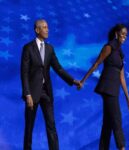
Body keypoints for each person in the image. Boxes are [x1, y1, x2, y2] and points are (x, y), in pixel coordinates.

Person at [20, 19, 80, 150]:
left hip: (46, 92)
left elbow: (58, 68)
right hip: (32, 93)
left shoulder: (50, 48)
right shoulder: (28, 48)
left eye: (48, 27)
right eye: (44, 27)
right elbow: (24, 73)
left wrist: (73, 80)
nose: (47, 30)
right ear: (37, 30)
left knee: (51, 126)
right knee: (29, 127)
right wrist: (27, 94)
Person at [78, 24, 129, 150]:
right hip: (107, 87)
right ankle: (122, 147)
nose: (124, 36)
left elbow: (122, 78)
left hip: (114, 89)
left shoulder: (120, 54)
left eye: (126, 35)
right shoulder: (109, 47)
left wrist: (128, 99)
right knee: (117, 119)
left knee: (108, 123)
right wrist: (83, 80)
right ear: (116, 34)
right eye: (122, 34)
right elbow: (96, 63)